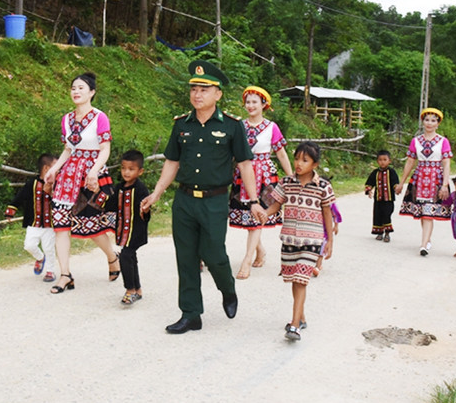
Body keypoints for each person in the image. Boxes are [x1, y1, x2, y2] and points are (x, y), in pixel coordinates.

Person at [140, 60, 267, 334]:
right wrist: (157, 192)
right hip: (184, 201)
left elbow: (245, 164)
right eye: (194, 89)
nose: (197, 94)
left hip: (214, 201)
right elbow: (172, 162)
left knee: (214, 254)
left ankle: (227, 288)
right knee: (185, 257)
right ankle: (191, 314)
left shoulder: (233, 126)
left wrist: (254, 201)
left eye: (204, 89)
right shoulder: (181, 125)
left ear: (218, 94)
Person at [44, 72, 120, 294]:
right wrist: (54, 170)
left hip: (91, 177)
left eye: (81, 88)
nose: (76, 92)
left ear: (92, 92)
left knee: (92, 226)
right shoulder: (66, 119)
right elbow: (68, 149)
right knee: (60, 226)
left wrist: (94, 171)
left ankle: (112, 256)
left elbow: (105, 149)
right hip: (67, 178)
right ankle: (65, 274)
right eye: (73, 88)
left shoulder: (99, 117)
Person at [265, 141, 335, 341]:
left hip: (312, 240)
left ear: (315, 165)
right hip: (290, 240)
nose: (298, 163)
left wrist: (329, 241)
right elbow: (275, 206)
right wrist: (264, 213)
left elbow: (327, 214)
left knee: (301, 279)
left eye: (305, 160)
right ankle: (301, 317)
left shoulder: (323, 186)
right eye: (296, 158)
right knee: (295, 281)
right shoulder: (286, 183)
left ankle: (294, 325)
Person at [228, 85, 293, 279]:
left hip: (265, 177)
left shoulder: (272, 127)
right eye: (247, 102)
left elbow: (281, 153)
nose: (250, 105)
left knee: (258, 218)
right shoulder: (239, 126)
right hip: (242, 175)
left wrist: (291, 179)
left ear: (264, 104)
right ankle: (260, 250)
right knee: (247, 217)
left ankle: (246, 260)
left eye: (254, 102)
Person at [395, 107, 452, 256]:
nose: (430, 123)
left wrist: (445, 184)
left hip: (436, 179)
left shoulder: (443, 141)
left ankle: (423, 245)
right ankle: (427, 239)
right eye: (427, 120)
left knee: (428, 212)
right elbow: (409, 162)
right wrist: (402, 182)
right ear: (423, 122)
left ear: (438, 124)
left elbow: (446, 163)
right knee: (422, 212)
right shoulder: (416, 141)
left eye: (433, 120)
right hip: (419, 179)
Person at [101, 149, 151, 305]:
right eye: (123, 168)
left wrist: (146, 210)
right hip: (123, 230)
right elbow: (110, 205)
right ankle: (138, 289)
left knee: (125, 256)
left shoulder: (141, 189)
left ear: (140, 171)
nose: (126, 172)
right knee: (131, 257)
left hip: (136, 231)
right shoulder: (119, 187)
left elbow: (146, 211)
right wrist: (99, 193)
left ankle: (130, 289)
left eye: (131, 169)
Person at [4, 153, 58, 282]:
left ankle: (50, 271)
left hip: (50, 224)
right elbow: (20, 197)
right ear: (46, 168)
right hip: (33, 223)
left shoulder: (57, 185)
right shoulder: (31, 184)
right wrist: (11, 210)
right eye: (56, 167)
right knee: (29, 245)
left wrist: (51, 190)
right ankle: (40, 258)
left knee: (49, 248)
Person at [364, 150, 400, 243]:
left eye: (385, 159)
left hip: (389, 199)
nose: (382, 162)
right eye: (380, 160)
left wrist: (396, 188)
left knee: (387, 215)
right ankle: (380, 233)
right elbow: (370, 182)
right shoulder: (375, 172)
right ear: (377, 161)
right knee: (377, 215)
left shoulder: (391, 172)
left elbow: (395, 182)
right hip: (378, 199)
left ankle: (387, 233)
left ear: (389, 161)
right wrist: (369, 190)